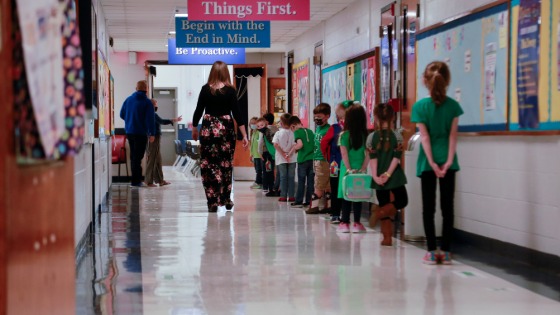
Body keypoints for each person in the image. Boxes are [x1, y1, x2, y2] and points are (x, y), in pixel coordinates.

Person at [411, 61, 463, 264]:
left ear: (425, 81)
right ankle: (447, 251)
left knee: (428, 207)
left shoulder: (420, 107)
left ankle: (432, 251)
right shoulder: (454, 106)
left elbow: (424, 138)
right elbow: (453, 137)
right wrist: (448, 161)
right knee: (447, 207)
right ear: (447, 81)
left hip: (427, 163)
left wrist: (432, 163)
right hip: (449, 162)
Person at [191, 61, 249, 213]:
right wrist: (244, 135)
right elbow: (237, 113)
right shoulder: (230, 90)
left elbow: (198, 110)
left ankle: (212, 201)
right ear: (226, 73)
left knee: (208, 165)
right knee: (225, 164)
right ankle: (226, 198)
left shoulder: (205, 89)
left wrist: (195, 128)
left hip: (208, 129)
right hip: (226, 129)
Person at [367, 103, 408, 246]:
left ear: (376, 118)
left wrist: (376, 176)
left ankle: (387, 238)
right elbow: (396, 159)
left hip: (378, 176)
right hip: (394, 176)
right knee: (402, 200)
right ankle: (380, 212)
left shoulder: (371, 137)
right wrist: (388, 174)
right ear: (392, 118)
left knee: (383, 201)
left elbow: (373, 159)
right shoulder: (397, 136)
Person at [336, 104, 370, 233]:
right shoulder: (365, 135)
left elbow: (344, 154)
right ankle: (357, 223)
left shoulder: (343, 135)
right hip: (361, 169)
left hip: (347, 170)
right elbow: (368, 153)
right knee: (358, 195)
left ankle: (344, 222)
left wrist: (349, 169)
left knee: (346, 195)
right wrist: (363, 168)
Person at [120, 80, 155, 187]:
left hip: (130, 132)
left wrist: (130, 120)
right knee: (138, 157)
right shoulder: (147, 102)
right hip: (141, 133)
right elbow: (150, 119)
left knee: (133, 157)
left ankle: (135, 181)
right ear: (146, 89)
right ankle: (136, 181)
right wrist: (152, 133)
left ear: (136, 88)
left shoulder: (128, 100)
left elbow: (121, 114)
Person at [320, 101, 350, 223]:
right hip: (350, 164)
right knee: (346, 188)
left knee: (335, 187)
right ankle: (345, 214)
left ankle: (335, 214)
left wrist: (328, 157)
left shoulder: (334, 128)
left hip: (335, 163)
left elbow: (324, 143)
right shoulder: (353, 129)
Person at [145, 98, 182, 187]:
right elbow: (162, 121)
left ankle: (160, 180)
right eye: (155, 104)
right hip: (154, 138)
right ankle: (148, 181)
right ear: (151, 105)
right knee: (152, 160)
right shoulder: (151, 114)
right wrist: (173, 120)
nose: (156, 106)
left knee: (158, 160)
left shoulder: (151, 113)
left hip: (154, 137)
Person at [307, 103, 332, 214]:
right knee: (326, 184)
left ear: (327, 116)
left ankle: (315, 206)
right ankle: (328, 206)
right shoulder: (318, 129)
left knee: (319, 184)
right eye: (315, 117)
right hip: (316, 159)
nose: (317, 119)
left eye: (319, 117)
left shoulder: (328, 129)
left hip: (323, 160)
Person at [289, 116, 315, 208]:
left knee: (301, 181)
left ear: (293, 126)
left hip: (302, 160)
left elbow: (300, 144)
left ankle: (299, 201)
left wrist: (294, 149)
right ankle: (309, 201)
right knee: (311, 182)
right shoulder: (310, 131)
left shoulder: (297, 132)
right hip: (312, 160)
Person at [273, 113, 296, 202]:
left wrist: (283, 154)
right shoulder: (294, 133)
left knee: (283, 177)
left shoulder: (278, 133)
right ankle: (291, 196)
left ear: (281, 123)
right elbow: (295, 145)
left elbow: (275, 145)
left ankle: (283, 196)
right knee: (291, 177)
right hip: (292, 157)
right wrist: (289, 154)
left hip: (281, 158)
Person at [259, 113, 280, 196]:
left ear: (266, 122)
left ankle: (267, 188)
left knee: (267, 171)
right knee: (274, 170)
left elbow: (260, 142)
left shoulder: (264, 130)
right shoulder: (277, 129)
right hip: (276, 152)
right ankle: (274, 187)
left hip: (266, 153)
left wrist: (260, 152)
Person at [249, 116, 263, 189]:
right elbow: (251, 145)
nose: (253, 125)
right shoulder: (253, 132)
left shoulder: (259, 132)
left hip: (259, 155)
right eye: (251, 123)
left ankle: (258, 182)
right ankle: (259, 181)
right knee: (257, 169)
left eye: (254, 123)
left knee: (259, 170)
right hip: (255, 155)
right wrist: (251, 154)